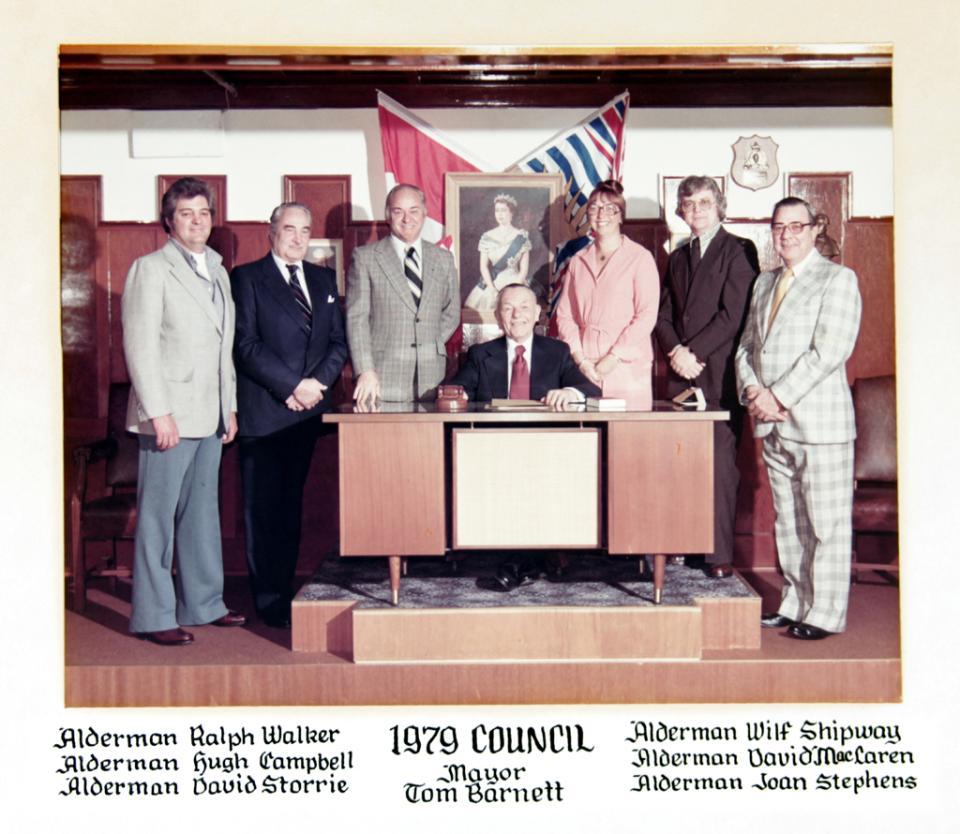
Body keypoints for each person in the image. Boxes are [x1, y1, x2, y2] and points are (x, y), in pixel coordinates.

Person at [121, 177, 245, 646]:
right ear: (169, 221)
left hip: (210, 415)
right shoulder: (150, 270)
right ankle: (153, 615)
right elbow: (141, 347)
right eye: (187, 214)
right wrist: (159, 413)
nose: (198, 221)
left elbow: (222, 350)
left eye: (204, 213)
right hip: (168, 415)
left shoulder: (217, 269)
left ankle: (203, 603)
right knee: (158, 516)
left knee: (201, 513)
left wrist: (228, 409)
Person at [735, 197, 862, 640]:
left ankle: (825, 613)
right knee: (788, 521)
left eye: (795, 226)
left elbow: (830, 351)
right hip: (773, 422)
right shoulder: (765, 284)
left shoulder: (838, 279)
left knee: (825, 524)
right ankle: (795, 603)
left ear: (813, 230)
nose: (786, 235)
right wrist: (752, 390)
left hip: (819, 424)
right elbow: (747, 347)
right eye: (778, 227)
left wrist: (778, 395)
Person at [231, 202, 348, 629]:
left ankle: (286, 590)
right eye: (289, 229)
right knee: (263, 512)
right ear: (272, 232)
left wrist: (316, 385)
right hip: (266, 414)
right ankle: (269, 598)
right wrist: (292, 386)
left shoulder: (323, 279)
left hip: (306, 416)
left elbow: (338, 342)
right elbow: (245, 345)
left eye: (304, 229)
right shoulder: (247, 278)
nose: (298, 238)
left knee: (291, 508)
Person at [655, 175, 760, 579]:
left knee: (719, 465)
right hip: (682, 374)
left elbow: (734, 315)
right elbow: (663, 315)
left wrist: (693, 352)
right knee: (685, 462)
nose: (695, 210)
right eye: (688, 204)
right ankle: (688, 542)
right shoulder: (678, 257)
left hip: (716, 372)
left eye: (703, 202)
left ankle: (717, 555)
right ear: (680, 211)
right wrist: (674, 352)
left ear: (719, 206)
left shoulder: (738, 250)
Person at [346, 183, 460, 403]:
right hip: (380, 378)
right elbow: (356, 320)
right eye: (399, 211)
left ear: (425, 213)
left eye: (414, 210)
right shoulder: (365, 258)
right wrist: (365, 370)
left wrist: (429, 342)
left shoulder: (443, 258)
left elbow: (451, 312)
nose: (407, 219)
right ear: (388, 215)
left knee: (429, 438)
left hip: (431, 377)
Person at [555, 180, 660, 409]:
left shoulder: (639, 258)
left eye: (610, 208)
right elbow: (565, 316)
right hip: (585, 366)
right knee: (591, 438)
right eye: (594, 207)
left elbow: (646, 315)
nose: (601, 214)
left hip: (626, 367)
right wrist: (581, 359)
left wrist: (613, 358)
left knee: (627, 438)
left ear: (621, 215)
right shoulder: (577, 261)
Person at [452, 284, 600, 408]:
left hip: (545, 436)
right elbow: (456, 390)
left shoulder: (558, 352)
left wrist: (570, 393)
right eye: (508, 308)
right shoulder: (480, 354)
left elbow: (592, 390)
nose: (517, 315)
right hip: (493, 436)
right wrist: (459, 396)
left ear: (536, 314)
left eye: (524, 307)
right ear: (497, 316)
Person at [463, 193, 531, 311]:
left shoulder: (521, 237)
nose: (500, 214)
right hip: (491, 284)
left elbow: (523, 270)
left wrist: (514, 290)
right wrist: (492, 289)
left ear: (512, 213)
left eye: (503, 210)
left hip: (515, 283)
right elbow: (483, 267)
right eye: (497, 211)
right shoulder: (487, 237)